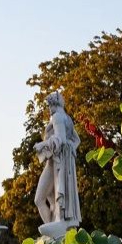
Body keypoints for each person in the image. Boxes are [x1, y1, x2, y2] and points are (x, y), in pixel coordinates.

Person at [33, 91, 82, 226]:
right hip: (61, 162)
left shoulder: (57, 117)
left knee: (39, 199)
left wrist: (41, 145)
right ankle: (55, 226)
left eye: (49, 107)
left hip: (54, 164)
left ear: (53, 105)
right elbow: (76, 140)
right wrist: (69, 151)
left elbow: (60, 139)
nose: (49, 110)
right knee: (52, 198)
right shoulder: (68, 119)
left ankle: (53, 233)